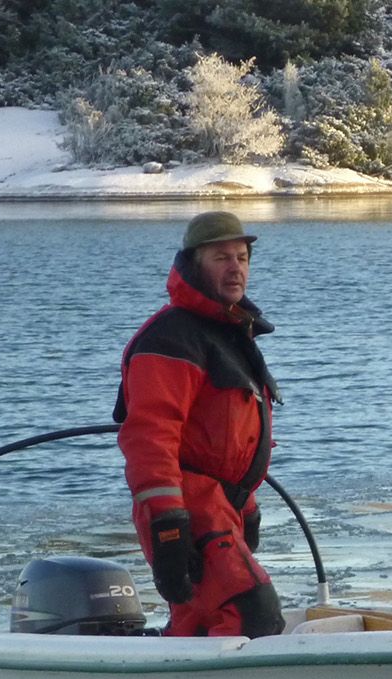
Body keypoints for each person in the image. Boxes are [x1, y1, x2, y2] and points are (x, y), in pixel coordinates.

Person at [113, 211, 286, 637]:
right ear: (193, 265)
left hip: (221, 508)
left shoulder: (227, 334)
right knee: (252, 616)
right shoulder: (171, 337)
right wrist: (169, 524)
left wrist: (247, 508)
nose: (235, 267)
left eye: (242, 257)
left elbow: (225, 439)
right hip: (189, 511)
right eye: (221, 257)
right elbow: (151, 438)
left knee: (199, 621)